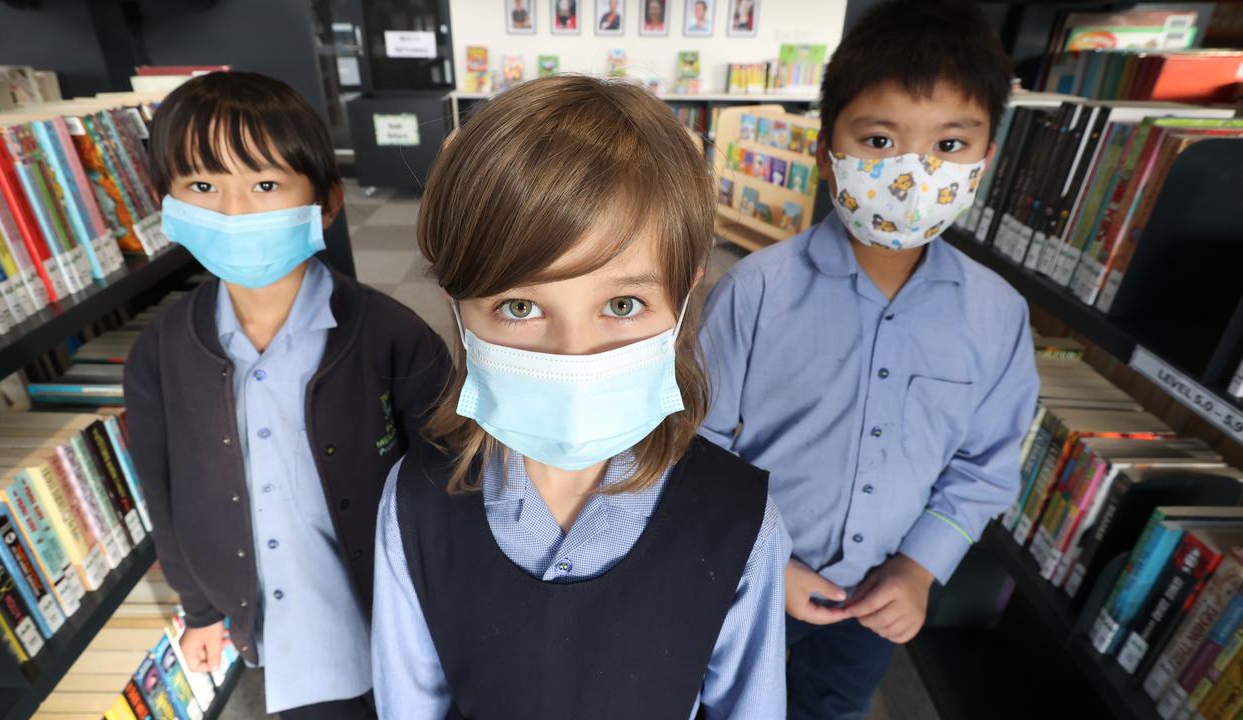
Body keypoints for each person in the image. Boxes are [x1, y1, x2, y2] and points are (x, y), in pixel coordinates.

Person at [371, 75, 788, 719]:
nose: (572, 357)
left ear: (685, 294)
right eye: (519, 305)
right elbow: (409, 702)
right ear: (457, 307)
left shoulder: (741, 519)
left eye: (622, 305)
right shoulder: (413, 504)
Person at [698, 1, 1039, 717]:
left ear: (985, 162)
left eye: (949, 146)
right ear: (827, 153)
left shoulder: (998, 315)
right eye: (880, 139)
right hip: (744, 579)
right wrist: (763, 562)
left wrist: (919, 569)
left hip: (880, 597)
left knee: (834, 706)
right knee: (722, 698)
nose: (914, 172)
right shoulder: (754, 292)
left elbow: (985, 465)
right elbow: (700, 443)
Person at [124, 71, 450, 719]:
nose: (234, 212)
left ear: (326, 202)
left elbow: (447, 484)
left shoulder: (393, 337)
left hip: (394, 624)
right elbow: (162, 490)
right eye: (203, 186)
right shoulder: (158, 353)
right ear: (169, 201)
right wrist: (200, 609)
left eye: (266, 184)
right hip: (277, 641)